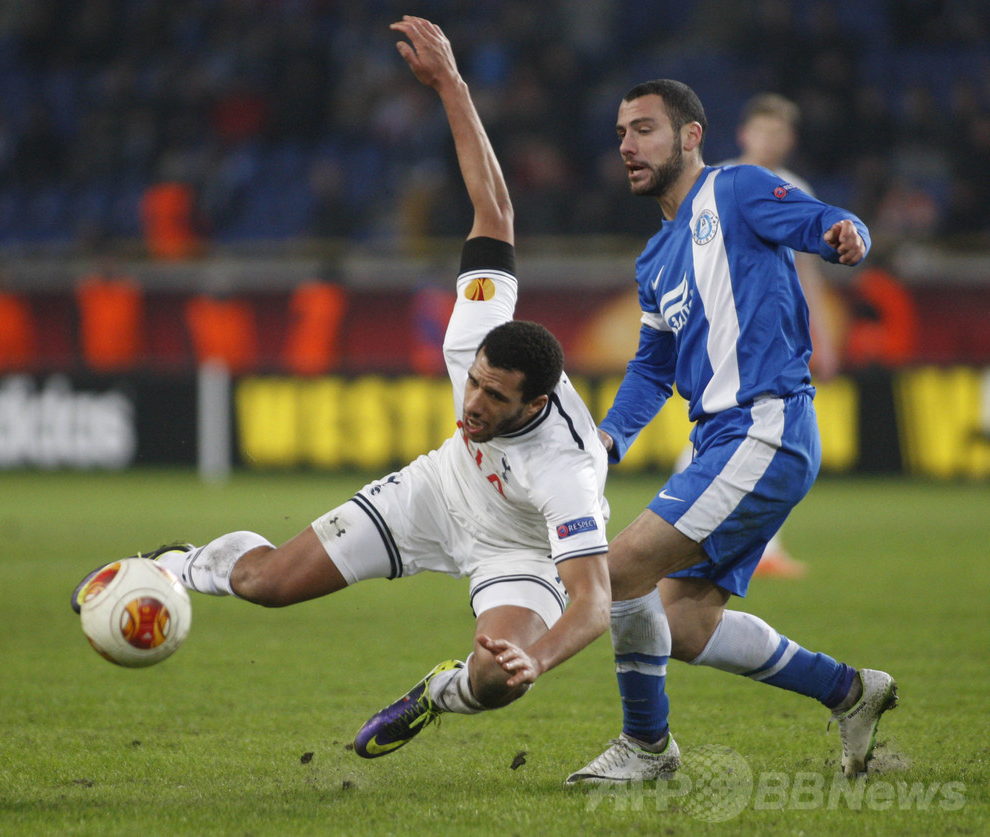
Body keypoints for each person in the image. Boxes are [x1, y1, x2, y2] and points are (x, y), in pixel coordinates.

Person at [71, 16, 611, 760]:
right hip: (437, 493)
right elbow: (495, 209)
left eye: (493, 398)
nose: (473, 402)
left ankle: (435, 693)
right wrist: (451, 84)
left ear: (536, 404)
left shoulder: (568, 469)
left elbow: (595, 601)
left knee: (498, 682)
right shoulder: (475, 331)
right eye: (474, 383)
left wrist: (537, 658)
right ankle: (172, 563)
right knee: (265, 583)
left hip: (516, 550)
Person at [565, 79, 896, 785]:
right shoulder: (654, 261)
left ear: (691, 136)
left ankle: (647, 749)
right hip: (725, 441)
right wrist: (609, 437)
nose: (627, 145)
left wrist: (848, 234)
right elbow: (653, 366)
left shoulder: (739, 190)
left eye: (645, 129)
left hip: (766, 425)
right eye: (621, 132)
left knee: (619, 568)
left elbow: (823, 220)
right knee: (681, 624)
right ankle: (849, 691)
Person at [724, 92, 838, 578]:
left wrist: (825, 337)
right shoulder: (716, 183)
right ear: (744, 134)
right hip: (727, 326)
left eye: (778, 132)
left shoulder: (794, 189)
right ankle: (683, 534)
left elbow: (810, 274)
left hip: (777, 335)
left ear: (788, 140)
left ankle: (755, 547)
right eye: (762, 129)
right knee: (736, 428)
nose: (769, 139)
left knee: (752, 430)